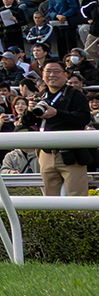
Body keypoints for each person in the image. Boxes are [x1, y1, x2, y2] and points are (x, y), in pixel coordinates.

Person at [38, 59, 91, 197]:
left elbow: (83, 118)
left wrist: (57, 113)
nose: (52, 75)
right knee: (49, 198)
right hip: (46, 152)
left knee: (77, 197)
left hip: (71, 152)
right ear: (42, 74)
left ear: (65, 74)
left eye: (56, 71)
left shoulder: (75, 94)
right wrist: (29, 112)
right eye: (48, 71)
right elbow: (26, 122)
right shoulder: (40, 96)